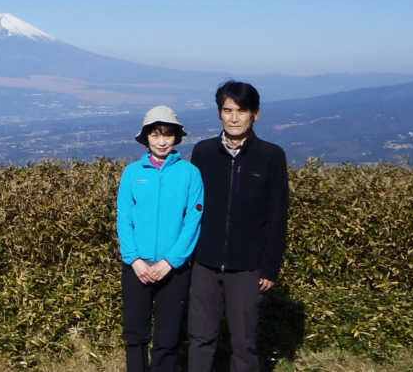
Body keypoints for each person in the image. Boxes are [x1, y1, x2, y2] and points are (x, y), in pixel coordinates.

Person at [187, 81, 290, 372]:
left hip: (248, 267)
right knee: (199, 338)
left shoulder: (271, 156)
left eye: (241, 111)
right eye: (227, 110)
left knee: (245, 343)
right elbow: (192, 208)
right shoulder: (203, 152)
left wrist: (270, 266)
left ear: (255, 114)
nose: (233, 117)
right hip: (204, 263)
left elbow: (277, 215)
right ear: (219, 113)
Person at [116, 105, 204, 372]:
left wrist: (171, 261)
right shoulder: (132, 173)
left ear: (177, 137)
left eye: (167, 134)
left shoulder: (190, 173)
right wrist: (135, 260)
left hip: (174, 269)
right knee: (135, 336)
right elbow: (124, 219)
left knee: (167, 339)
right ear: (146, 138)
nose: (162, 140)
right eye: (155, 134)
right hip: (136, 268)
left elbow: (193, 220)